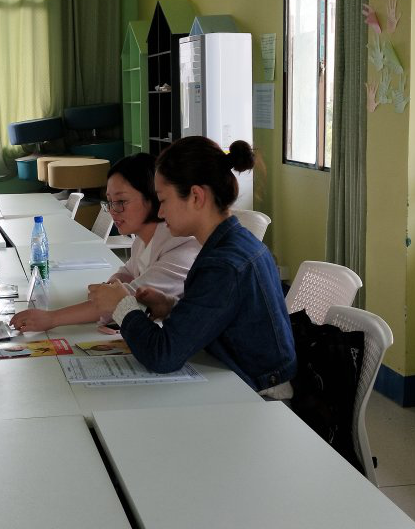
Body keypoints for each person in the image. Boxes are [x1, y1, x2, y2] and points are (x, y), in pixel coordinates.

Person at [87, 136, 296, 398]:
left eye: (163, 200)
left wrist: (122, 305)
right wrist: (171, 307)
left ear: (196, 196)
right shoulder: (234, 242)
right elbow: (218, 314)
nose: (160, 213)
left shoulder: (223, 264)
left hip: (259, 397)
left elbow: (163, 355)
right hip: (237, 378)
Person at [10, 154, 201, 333]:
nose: (113, 210)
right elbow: (127, 272)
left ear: (153, 198)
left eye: (121, 201)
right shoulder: (143, 239)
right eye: (110, 201)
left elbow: (126, 300)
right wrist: (110, 287)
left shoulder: (180, 245)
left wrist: (51, 319)